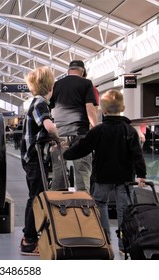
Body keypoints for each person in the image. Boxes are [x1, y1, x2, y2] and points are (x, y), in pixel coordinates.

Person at [63, 89, 147, 254]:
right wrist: (141, 175)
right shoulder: (129, 130)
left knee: (100, 204)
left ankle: (105, 238)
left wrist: (66, 153)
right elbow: (137, 154)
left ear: (104, 109)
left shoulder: (99, 130)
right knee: (125, 209)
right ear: (122, 107)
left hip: (102, 176)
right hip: (125, 178)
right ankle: (125, 245)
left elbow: (83, 147)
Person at [20, 66, 58, 255]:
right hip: (34, 159)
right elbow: (49, 126)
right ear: (50, 87)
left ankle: (29, 236)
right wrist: (58, 136)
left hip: (32, 158)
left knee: (35, 196)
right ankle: (29, 240)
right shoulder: (40, 104)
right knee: (35, 198)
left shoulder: (34, 103)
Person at [50, 60, 98, 192]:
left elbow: (49, 106)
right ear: (83, 72)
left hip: (60, 133)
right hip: (80, 132)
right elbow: (90, 108)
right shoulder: (86, 83)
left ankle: (56, 205)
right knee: (82, 171)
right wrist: (95, 127)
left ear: (68, 70)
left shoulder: (57, 84)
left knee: (58, 171)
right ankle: (83, 207)